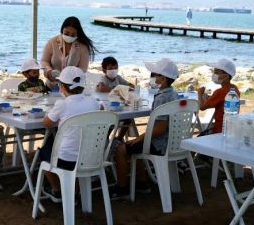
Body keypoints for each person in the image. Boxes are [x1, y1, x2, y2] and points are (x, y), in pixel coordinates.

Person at [111, 58, 179, 200]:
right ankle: (142, 183)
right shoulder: (173, 94)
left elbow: (159, 129)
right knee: (137, 146)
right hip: (172, 141)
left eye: (154, 74)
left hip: (160, 143)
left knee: (121, 149)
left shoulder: (161, 99)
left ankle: (122, 188)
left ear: (163, 78)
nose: (151, 78)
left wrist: (140, 138)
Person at [38, 66, 102, 202]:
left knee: (44, 152)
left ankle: (57, 190)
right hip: (89, 157)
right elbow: (101, 109)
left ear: (62, 86)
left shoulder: (62, 104)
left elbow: (46, 123)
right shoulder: (93, 102)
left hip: (66, 160)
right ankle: (76, 191)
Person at [41, 16, 97, 90]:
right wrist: (49, 71)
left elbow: (83, 68)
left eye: (73, 35)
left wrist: (70, 75)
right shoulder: (52, 42)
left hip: (72, 87)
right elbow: (44, 61)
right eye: (66, 33)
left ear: (77, 34)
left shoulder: (82, 47)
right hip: (52, 85)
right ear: (62, 30)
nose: (69, 36)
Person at [197, 58, 240, 134]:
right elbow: (220, 102)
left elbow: (202, 107)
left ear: (226, 76)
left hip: (219, 129)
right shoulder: (234, 89)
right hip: (230, 128)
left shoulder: (220, 91)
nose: (214, 74)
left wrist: (199, 93)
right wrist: (209, 98)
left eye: (217, 72)